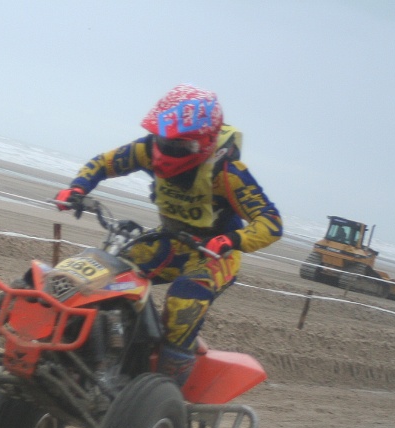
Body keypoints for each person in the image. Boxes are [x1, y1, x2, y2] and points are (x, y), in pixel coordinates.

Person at [54, 84, 283, 386]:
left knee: (182, 304)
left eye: (178, 145)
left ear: (203, 144)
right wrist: (78, 188)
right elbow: (104, 163)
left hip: (215, 254)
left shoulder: (226, 173)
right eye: (164, 140)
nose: (166, 150)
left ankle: (162, 391)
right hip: (169, 240)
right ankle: (103, 352)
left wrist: (232, 240)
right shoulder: (148, 149)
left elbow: (271, 222)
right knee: (106, 274)